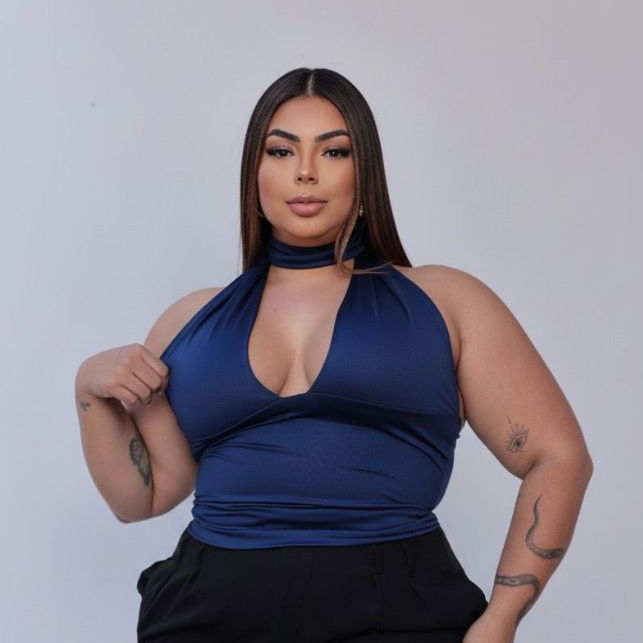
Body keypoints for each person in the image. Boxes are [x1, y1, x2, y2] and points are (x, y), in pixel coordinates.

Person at [75, 67, 593, 643]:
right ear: (254, 171)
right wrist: (89, 390)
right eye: (281, 151)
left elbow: (557, 456)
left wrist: (501, 619)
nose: (305, 171)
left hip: (398, 609)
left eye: (334, 151)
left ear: (363, 169)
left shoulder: (445, 302)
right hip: (207, 609)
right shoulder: (190, 321)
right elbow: (144, 497)